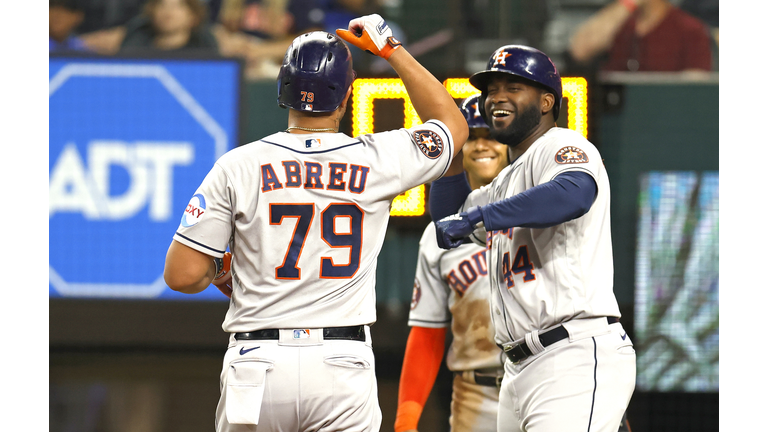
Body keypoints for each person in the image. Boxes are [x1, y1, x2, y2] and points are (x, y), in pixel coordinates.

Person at [163, 13, 468, 432]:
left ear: (282, 90)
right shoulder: (377, 158)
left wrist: (224, 269)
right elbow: (453, 125)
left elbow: (182, 275)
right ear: (346, 97)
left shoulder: (237, 165)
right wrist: (390, 50)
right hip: (340, 364)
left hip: (258, 365)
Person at [429, 45, 636, 432]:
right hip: (520, 367)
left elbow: (572, 194)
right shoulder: (505, 181)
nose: (497, 97)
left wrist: (482, 216)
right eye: (490, 90)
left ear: (546, 101)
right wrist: (455, 143)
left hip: (571, 351)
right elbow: (446, 220)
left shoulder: (560, 145)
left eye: (513, 86)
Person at [395, 94, 508, 432]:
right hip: (476, 395)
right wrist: (406, 418)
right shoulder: (439, 233)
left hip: (544, 380)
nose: (481, 145)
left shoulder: (544, 214)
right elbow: (427, 331)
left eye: (492, 135)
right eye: (471, 136)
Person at [568, 0, 711, 72]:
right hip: (613, 116)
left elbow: (696, 90)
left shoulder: (689, 29)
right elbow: (579, 51)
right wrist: (628, 3)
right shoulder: (618, 21)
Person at [119, 0, 219, 54]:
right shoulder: (135, 43)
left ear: (192, 15)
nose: (168, 13)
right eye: (162, 5)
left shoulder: (205, 47)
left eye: (178, 6)